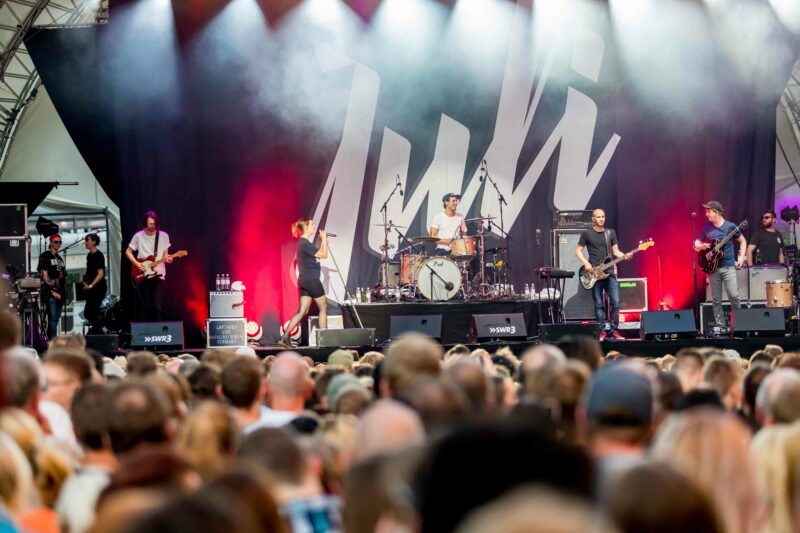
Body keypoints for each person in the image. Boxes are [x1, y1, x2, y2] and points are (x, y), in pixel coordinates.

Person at [575, 209, 631, 341]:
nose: (601, 219)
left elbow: (616, 252)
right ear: (593, 219)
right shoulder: (587, 233)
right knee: (599, 304)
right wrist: (586, 263)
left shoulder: (610, 232)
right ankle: (601, 331)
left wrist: (625, 256)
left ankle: (614, 330)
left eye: (603, 217)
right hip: (594, 273)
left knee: (615, 302)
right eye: (598, 217)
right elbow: (578, 251)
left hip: (609, 271)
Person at [694, 201, 746, 334]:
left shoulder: (730, 226)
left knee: (733, 295)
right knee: (716, 299)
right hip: (713, 268)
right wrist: (702, 246)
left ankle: (739, 323)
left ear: (716, 212)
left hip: (728, 266)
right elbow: (696, 244)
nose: (706, 214)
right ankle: (720, 326)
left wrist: (741, 258)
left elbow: (743, 241)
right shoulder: (706, 227)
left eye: (708, 211)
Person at [280, 217, 328, 348]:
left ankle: (285, 337)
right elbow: (324, 255)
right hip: (311, 280)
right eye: (311, 224)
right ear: (305, 227)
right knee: (323, 308)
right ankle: (324, 340)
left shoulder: (303, 243)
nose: (314, 226)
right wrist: (324, 239)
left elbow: (321, 254)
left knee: (303, 311)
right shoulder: (305, 243)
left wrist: (324, 242)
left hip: (304, 281)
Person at [126, 211, 172, 321]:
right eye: (150, 224)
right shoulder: (138, 236)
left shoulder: (164, 236)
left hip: (158, 274)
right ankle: (146, 329)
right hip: (142, 273)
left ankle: (158, 329)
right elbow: (128, 251)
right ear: (145, 223)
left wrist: (168, 259)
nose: (153, 226)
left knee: (157, 305)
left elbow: (165, 256)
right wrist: (137, 263)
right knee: (145, 306)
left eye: (154, 224)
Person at [37, 234, 66, 340]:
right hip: (50, 292)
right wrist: (52, 292)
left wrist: (65, 295)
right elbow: (44, 276)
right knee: (53, 319)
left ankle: (53, 341)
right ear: (50, 243)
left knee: (56, 319)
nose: (58, 244)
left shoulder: (60, 258)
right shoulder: (45, 256)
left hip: (60, 293)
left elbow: (63, 278)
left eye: (60, 242)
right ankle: (52, 343)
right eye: (55, 242)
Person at [81, 233, 107, 333]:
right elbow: (91, 271)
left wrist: (91, 285)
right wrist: (84, 277)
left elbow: (100, 274)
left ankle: (104, 330)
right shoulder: (89, 255)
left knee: (89, 312)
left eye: (87, 240)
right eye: (85, 240)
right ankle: (100, 331)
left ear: (94, 242)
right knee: (91, 312)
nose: (85, 243)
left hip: (98, 287)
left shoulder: (98, 255)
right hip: (92, 287)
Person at [429, 193, 467, 257]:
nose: (456, 203)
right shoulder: (438, 217)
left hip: (456, 251)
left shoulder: (460, 217)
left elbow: (465, 235)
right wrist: (447, 241)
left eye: (456, 201)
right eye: (453, 201)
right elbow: (432, 237)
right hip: (441, 251)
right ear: (446, 202)